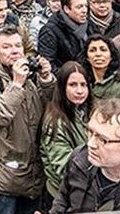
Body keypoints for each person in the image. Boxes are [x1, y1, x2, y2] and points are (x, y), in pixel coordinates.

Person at [0, 24, 52, 214]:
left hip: (34, 170)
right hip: (6, 176)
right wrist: (17, 83)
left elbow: (51, 105)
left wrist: (46, 79)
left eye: (18, 45)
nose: (14, 51)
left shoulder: (29, 75)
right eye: (7, 47)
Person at [39, 62, 91, 199]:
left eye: (83, 85)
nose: (79, 90)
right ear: (62, 87)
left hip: (87, 189)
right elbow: (64, 168)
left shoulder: (91, 112)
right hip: (62, 194)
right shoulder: (54, 122)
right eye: (73, 85)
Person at [36, 0, 89, 71]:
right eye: (79, 7)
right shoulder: (49, 31)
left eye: (86, 6)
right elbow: (48, 65)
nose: (84, 11)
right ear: (67, 9)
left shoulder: (89, 26)